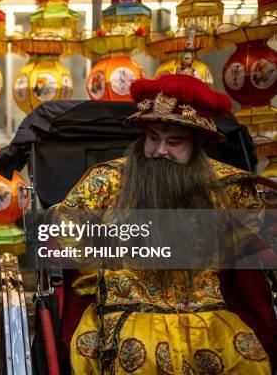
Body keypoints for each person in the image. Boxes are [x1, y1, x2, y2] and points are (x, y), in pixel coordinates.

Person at [54, 74, 274, 374]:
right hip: (127, 306)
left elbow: (235, 241)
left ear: (196, 143)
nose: (160, 150)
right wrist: (102, 271)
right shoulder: (106, 181)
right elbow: (68, 229)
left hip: (202, 306)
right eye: (153, 138)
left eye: (174, 142)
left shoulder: (227, 187)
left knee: (246, 359)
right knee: (138, 360)